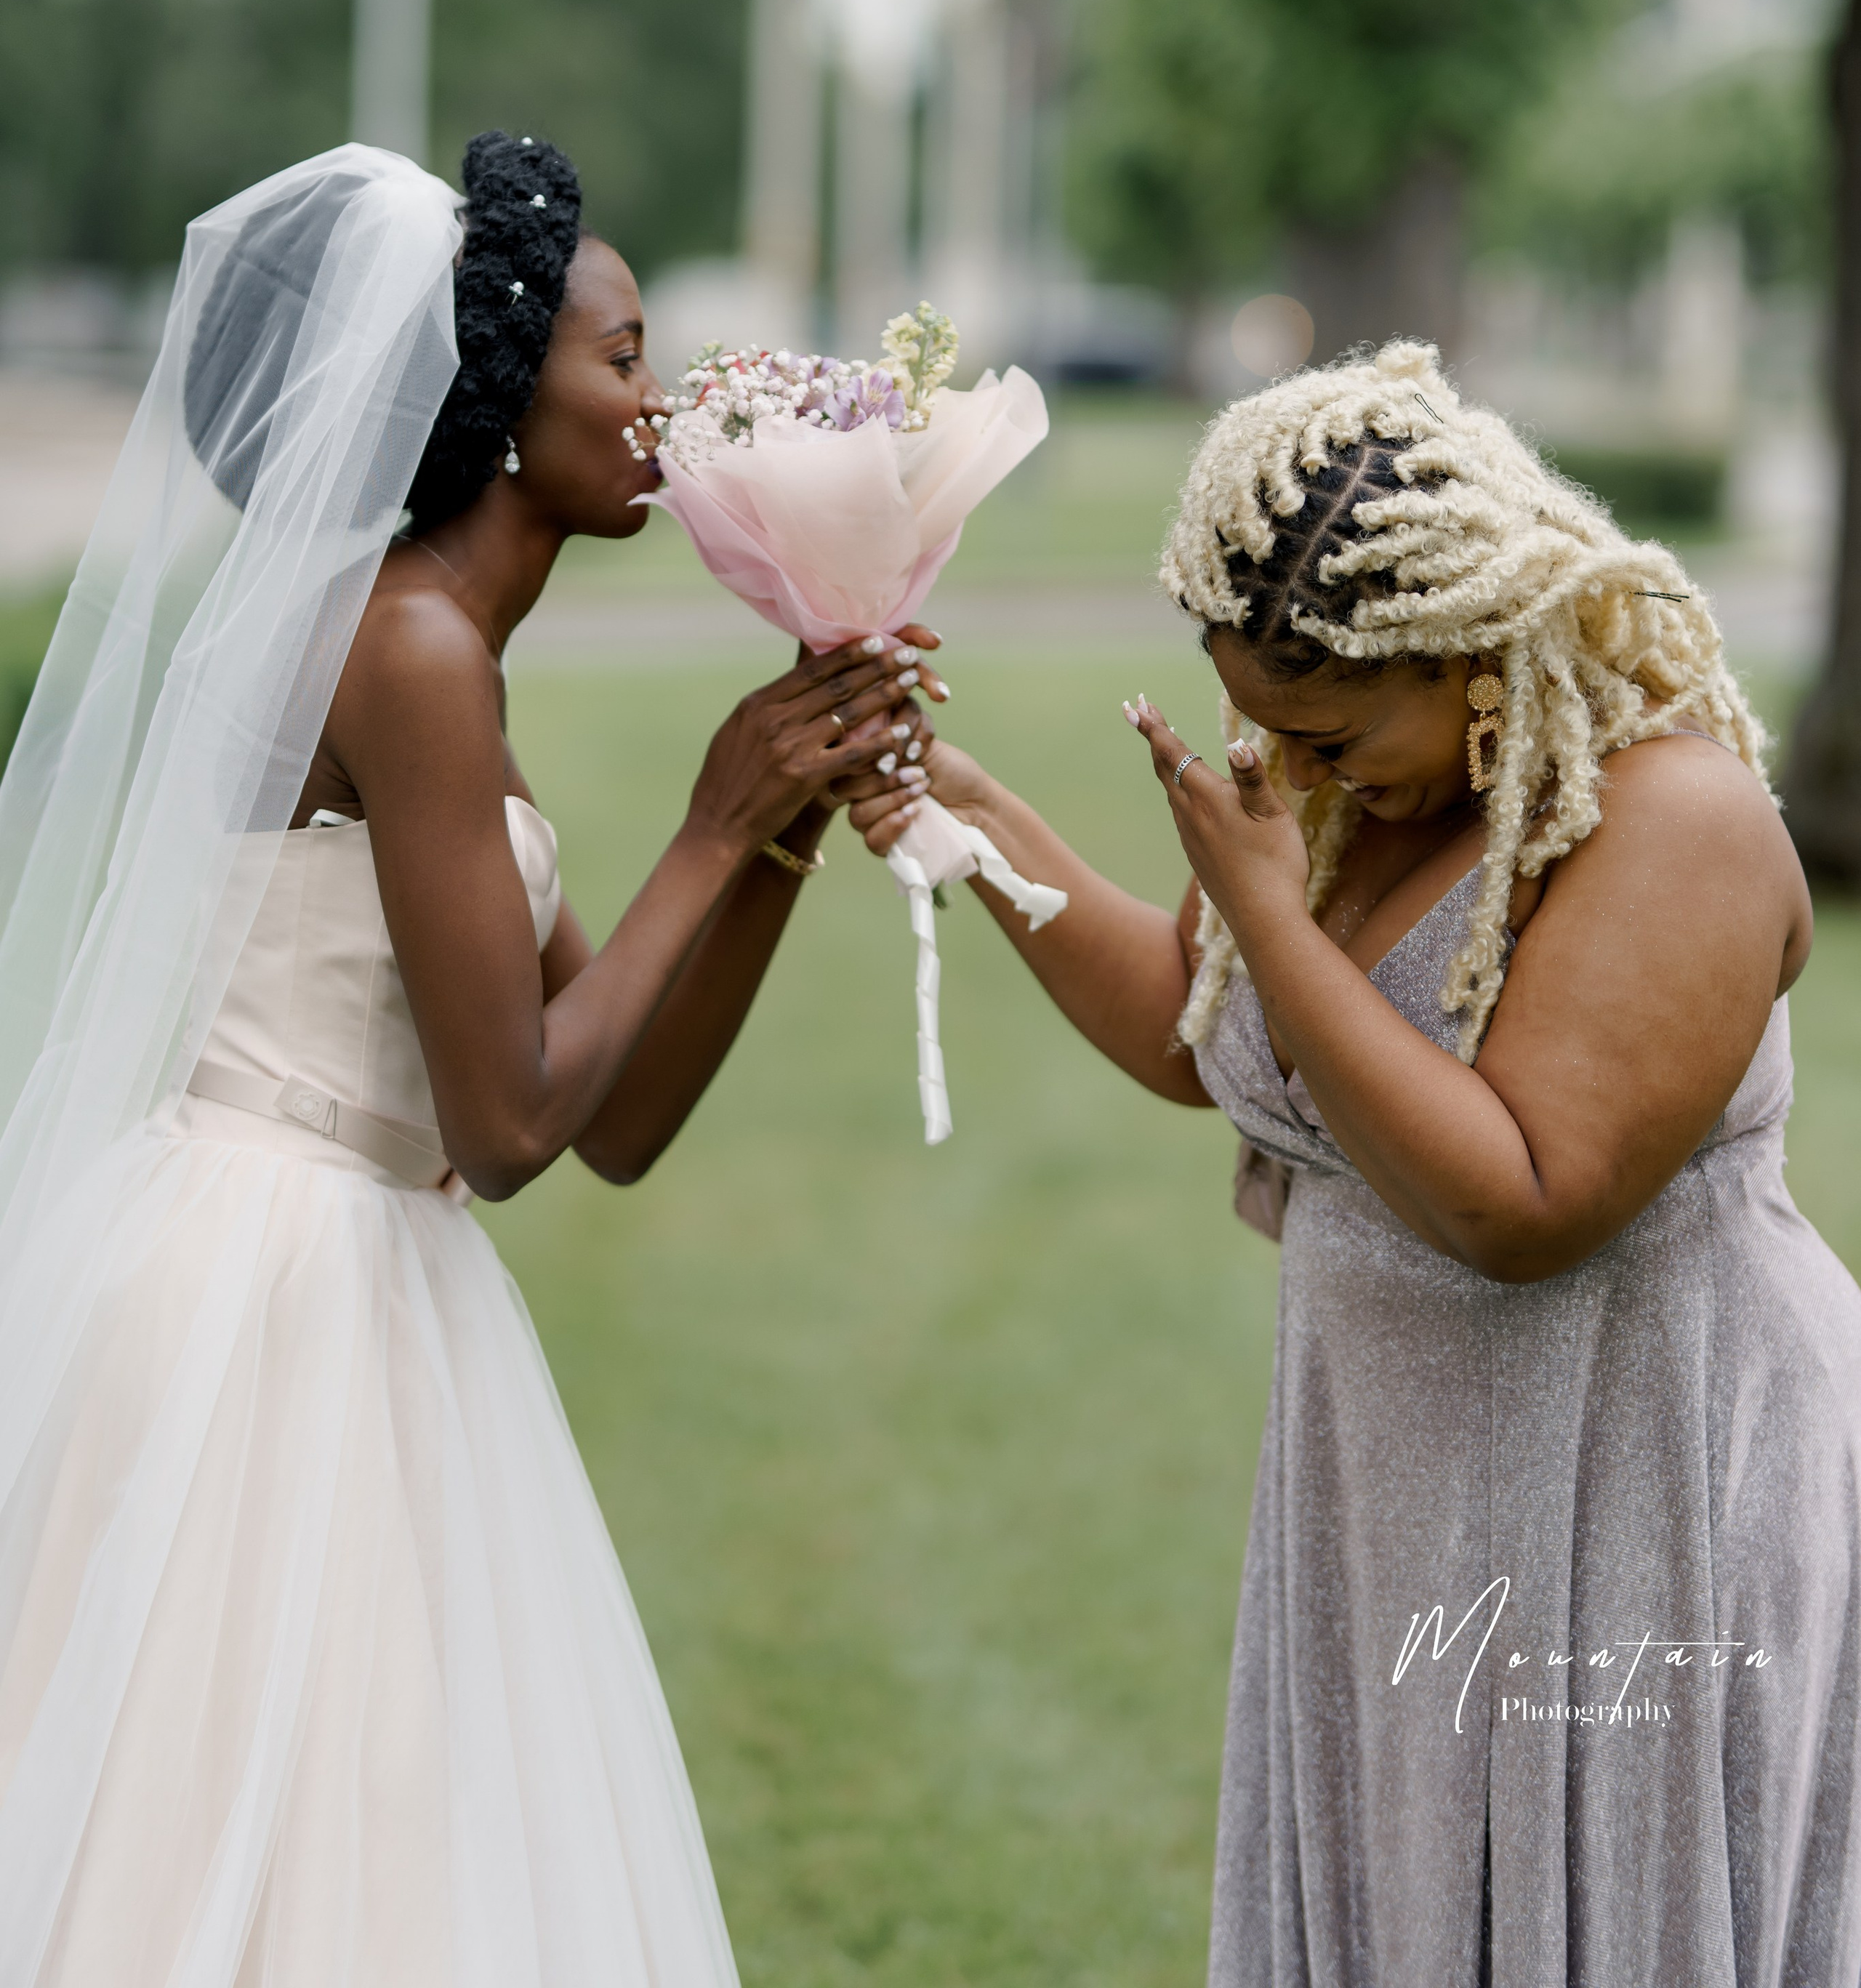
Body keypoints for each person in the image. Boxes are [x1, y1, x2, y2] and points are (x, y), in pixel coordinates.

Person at [0, 132, 941, 1984]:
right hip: (273, 1295)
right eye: (625, 357)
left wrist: (783, 818)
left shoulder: (425, 642)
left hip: (345, 1264)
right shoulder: (411, 650)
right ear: (498, 405)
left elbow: (621, 1115)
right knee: (270, 1835)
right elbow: (506, 1124)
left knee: (360, 1834)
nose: (663, 404)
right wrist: (708, 819)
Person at [853, 337, 1861, 1988]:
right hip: (1394, 1493)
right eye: (1266, 733)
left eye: (1325, 734)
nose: (1293, 772)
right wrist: (965, 811)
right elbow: (1200, 1034)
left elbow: (1521, 1202)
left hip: (1638, 1479)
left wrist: (1264, 911)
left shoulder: (1672, 819)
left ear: (1465, 644)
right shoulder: (1345, 809)